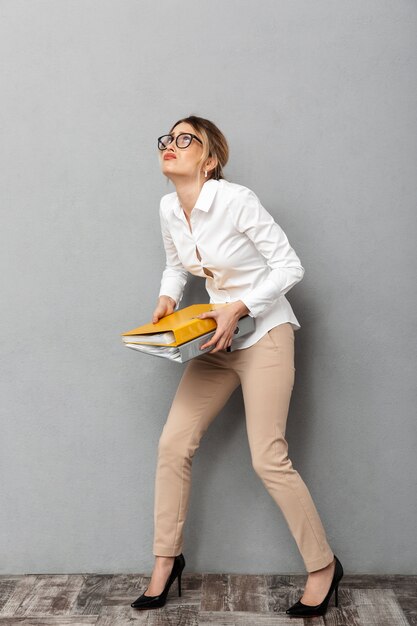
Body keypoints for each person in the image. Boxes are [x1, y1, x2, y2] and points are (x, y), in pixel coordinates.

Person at [131, 115, 343, 617]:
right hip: (215, 339)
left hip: (264, 334)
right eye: (168, 138)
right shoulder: (168, 207)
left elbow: (290, 266)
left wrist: (240, 306)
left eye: (186, 140)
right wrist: (167, 298)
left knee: (268, 457)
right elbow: (175, 264)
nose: (172, 145)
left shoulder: (236, 200)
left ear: (209, 161)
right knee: (172, 444)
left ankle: (324, 567)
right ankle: (166, 561)